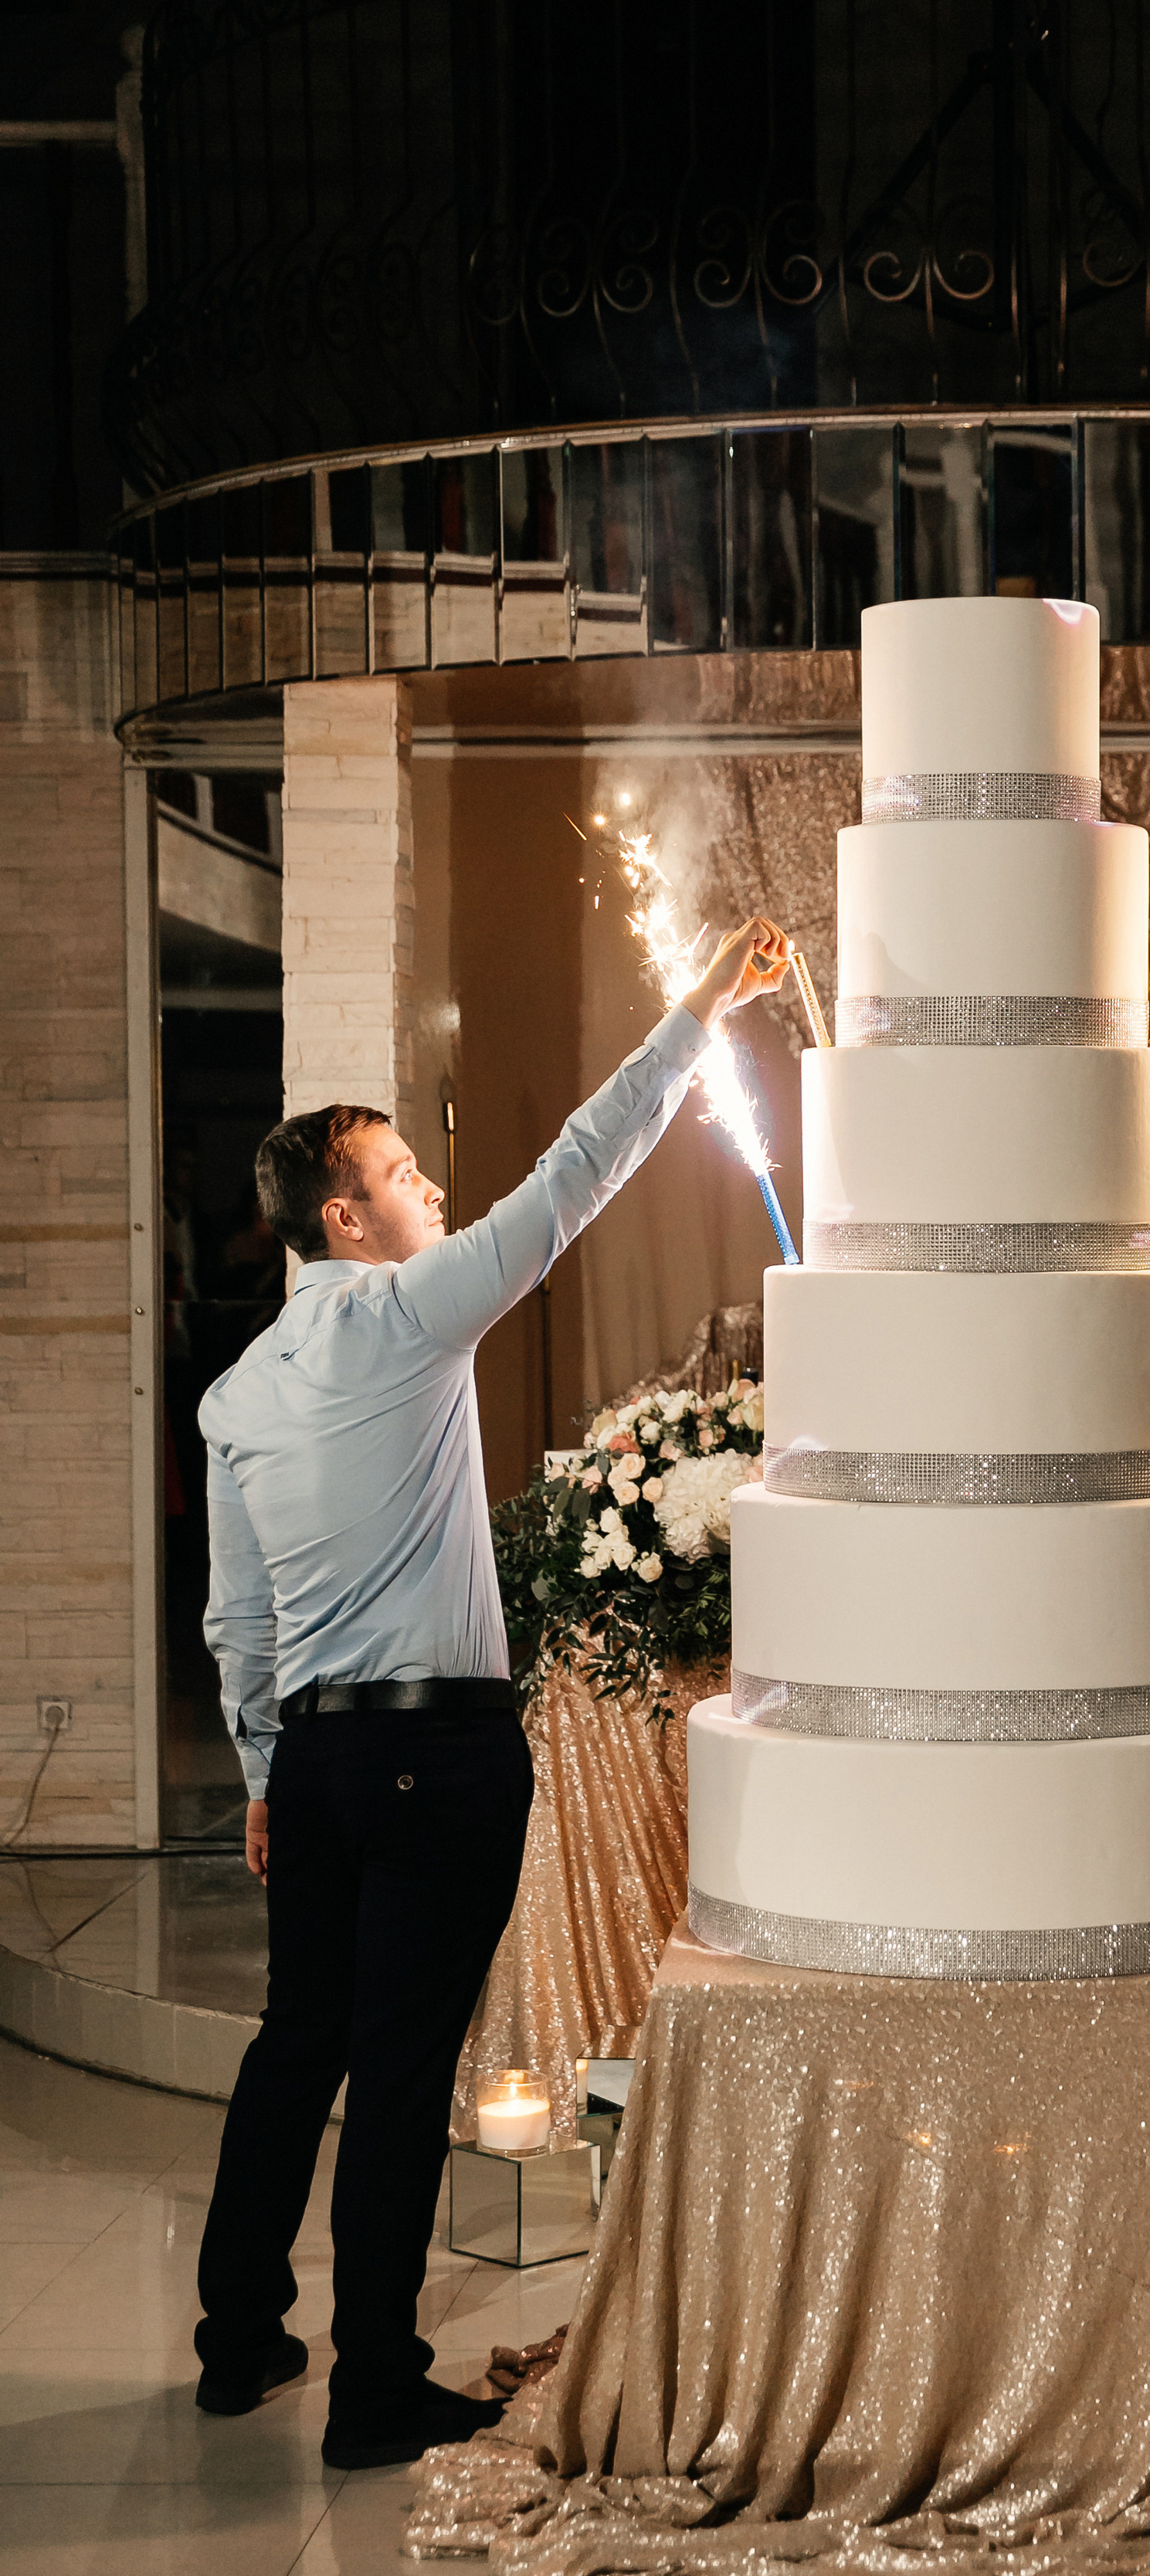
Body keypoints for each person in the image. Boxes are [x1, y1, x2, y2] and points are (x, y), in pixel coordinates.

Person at [194, 918, 791, 2470]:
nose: (431, 1195)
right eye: (403, 1177)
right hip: (435, 1756)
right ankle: (375, 2387)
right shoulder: (401, 1318)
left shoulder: (237, 1394)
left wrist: (262, 1775)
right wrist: (698, 1007)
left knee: (295, 2043)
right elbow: (577, 1172)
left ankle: (238, 2340)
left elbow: (237, 1621)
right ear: (347, 1214)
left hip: (317, 1761)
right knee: (395, 2067)